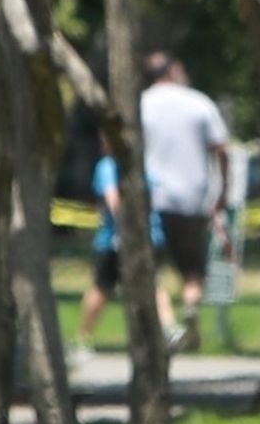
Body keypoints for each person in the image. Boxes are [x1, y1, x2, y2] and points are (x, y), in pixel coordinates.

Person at [140, 50, 231, 352]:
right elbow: (222, 150)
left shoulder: (140, 104)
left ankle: (168, 324)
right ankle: (190, 308)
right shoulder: (199, 103)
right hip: (193, 199)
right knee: (193, 270)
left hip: (152, 200)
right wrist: (222, 191)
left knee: (151, 269)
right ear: (172, 71)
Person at [72, 140, 181, 365]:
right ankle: (83, 338)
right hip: (122, 239)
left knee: (145, 285)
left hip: (138, 237)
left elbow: (121, 198)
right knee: (106, 287)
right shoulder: (116, 166)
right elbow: (115, 199)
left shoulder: (126, 165)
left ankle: (168, 328)